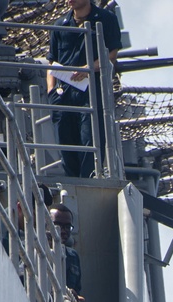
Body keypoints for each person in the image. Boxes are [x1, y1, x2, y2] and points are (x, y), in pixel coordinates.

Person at [47, 0, 121, 178]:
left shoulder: (105, 19)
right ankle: (72, 182)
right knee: (65, 141)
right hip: (64, 93)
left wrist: (87, 68)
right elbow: (52, 61)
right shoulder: (60, 25)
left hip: (91, 90)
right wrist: (51, 91)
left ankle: (89, 179)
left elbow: (112, 54)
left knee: (90, 138)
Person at [50, 203, 83, 295]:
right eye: (58, 225)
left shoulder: (73, 257)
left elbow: (77, 288)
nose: (63, 231)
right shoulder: (34, 251)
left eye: (67, 227)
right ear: (47, 225)